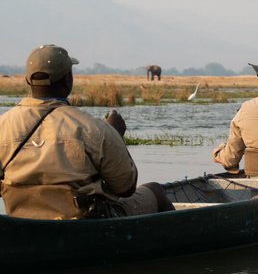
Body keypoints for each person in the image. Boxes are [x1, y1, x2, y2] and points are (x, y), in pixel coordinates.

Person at [0, 44, 174, 220]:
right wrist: (115, 135)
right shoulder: (93, 128)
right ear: (68, 80)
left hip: (21, 223)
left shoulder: (2, 125)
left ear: (27, 80)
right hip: (85, 224)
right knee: (155, 191)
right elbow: (126, 187)